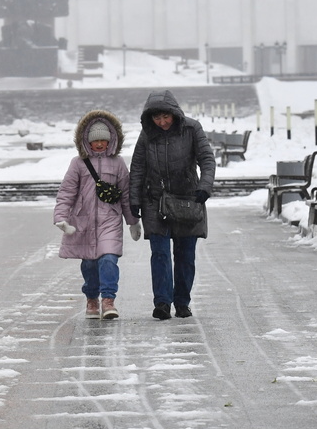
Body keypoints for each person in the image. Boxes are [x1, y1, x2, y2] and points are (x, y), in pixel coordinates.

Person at [129, 89, 216, 320]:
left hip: (188, 200)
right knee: (159, 253)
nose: (162, 122)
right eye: (157, 118)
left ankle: (182, 302)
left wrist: (204, 187)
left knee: (185, 255)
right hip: (155, 201)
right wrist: (134, 200)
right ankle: (162, 303)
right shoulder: (147, 134)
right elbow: (137, 167)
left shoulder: (191, 129)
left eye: (165, 117)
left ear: (175, 114)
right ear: (150, 118)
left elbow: (207, 159)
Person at [54, 110, 141, 320]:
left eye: (104, 139)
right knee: (90, 264)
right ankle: (91, 298)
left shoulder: (118, 163)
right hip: (83, 222)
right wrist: (61, 217)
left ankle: (108, 300)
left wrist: (132, 221)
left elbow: (126, 193)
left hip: (110, 220)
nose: (100, 144)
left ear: (111, 140)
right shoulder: (78, 163)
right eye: (95, 140)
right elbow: (67, 191)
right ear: (86, 141)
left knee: (109, 259)